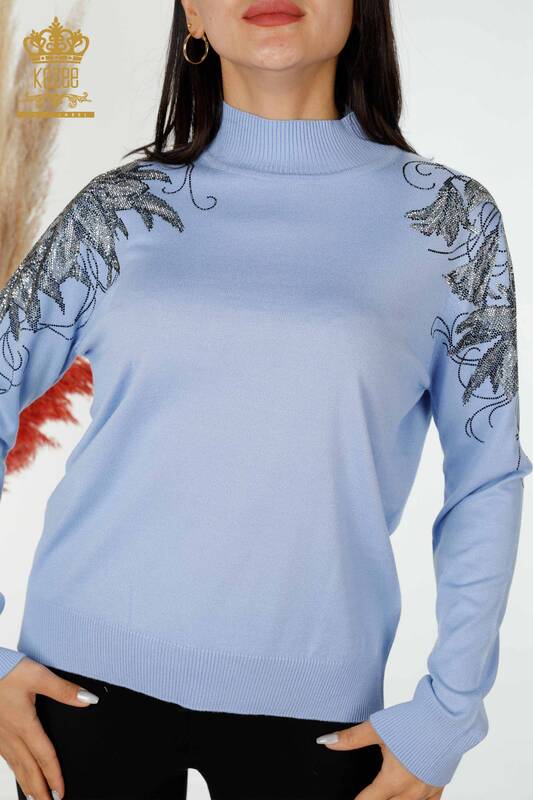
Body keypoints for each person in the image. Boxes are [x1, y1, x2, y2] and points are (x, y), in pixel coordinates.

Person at [0, 1, 530, 799]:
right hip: (79, 687)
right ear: (193, 12)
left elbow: (486, 477)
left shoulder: (449, 223)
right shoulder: (117, 210)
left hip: (317, 710)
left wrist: (447, 714)